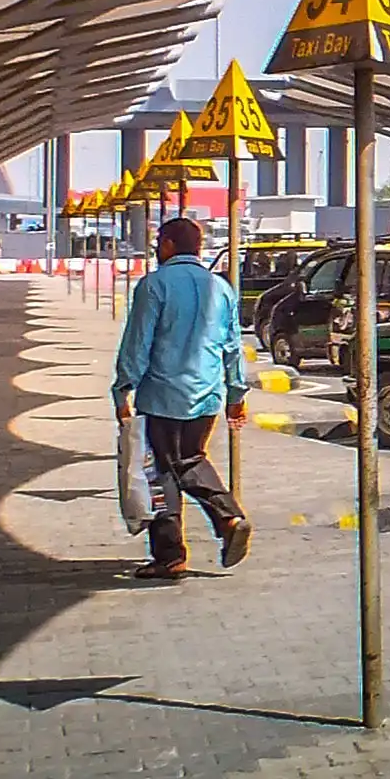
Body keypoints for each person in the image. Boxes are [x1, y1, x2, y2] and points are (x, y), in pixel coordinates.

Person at [111, 216, 254, 579]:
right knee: (172, 466)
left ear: (170, 245)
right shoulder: (220, 288)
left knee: (173, 468)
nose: (157, 248)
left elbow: (138, 342)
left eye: (160, 241)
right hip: (206, 397)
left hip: (161, 396)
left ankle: (224, 518)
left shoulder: (154, 285)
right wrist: (236, 392)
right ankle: (171, 553)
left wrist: (122, 388)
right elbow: (233, 346)